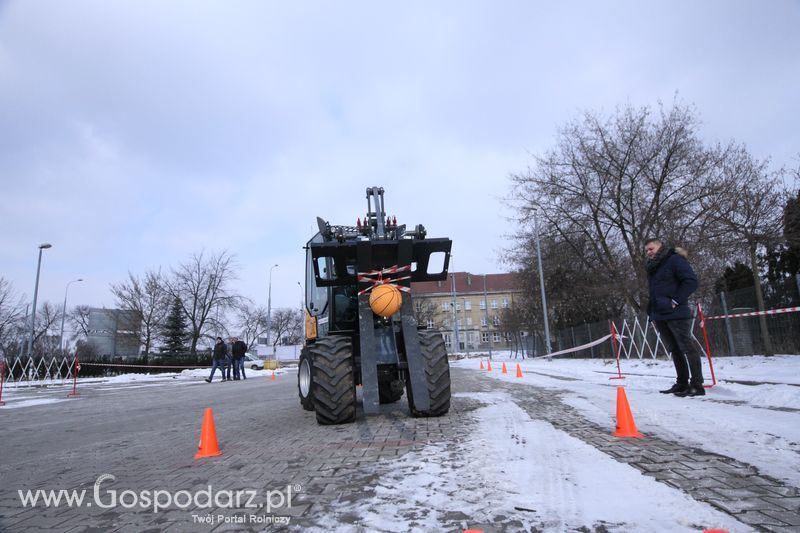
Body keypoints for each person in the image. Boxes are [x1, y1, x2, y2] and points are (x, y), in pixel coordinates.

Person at [645, 238, 705, 397]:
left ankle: (697, 385)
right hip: (659, 314)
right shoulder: (653, 267)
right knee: (674, 349)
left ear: (660, 247)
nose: (648, 253)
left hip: (676, 313)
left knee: (687, 347)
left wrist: (675, 301)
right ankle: (681, 383)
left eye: (651, 249)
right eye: (647, 250)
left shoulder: (675, 260)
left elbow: (691, 282)